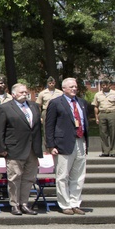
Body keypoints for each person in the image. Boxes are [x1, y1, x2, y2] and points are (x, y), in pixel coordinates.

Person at [0, 83, 42, 216]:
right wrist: (2, 148)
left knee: (29, 178)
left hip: (32, 149)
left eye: (25, 92)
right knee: (14, 178)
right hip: (14, 148)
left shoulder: (34, 106)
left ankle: (24, 204)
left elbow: (37, 128)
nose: (24, 94)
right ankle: (14, 204)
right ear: (13, 94)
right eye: (21, 92)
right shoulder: (5, 108)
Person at [45, 77, 90, 215]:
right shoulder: (56, 103)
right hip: (63, 144)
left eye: (75, 86)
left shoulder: (82, 103)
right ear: (63, 88)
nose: (74, 88)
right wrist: (50, 145)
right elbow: (49, 126)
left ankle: (75, 203)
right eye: (71, 87)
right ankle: (65, 204)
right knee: (63, 175)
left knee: (78, 175)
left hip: (80, 141)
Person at [92, 78, 115, 157]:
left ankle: (113, 151)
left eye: (106, 85)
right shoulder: (98, 94)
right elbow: (95, 106)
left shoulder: (114, 93)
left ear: (109, 85)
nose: (104, 87)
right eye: (103, 85)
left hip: (112, 113)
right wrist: (96, 117)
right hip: (102, 114)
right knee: (103, 133)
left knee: (113, 132)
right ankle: (105, 151)